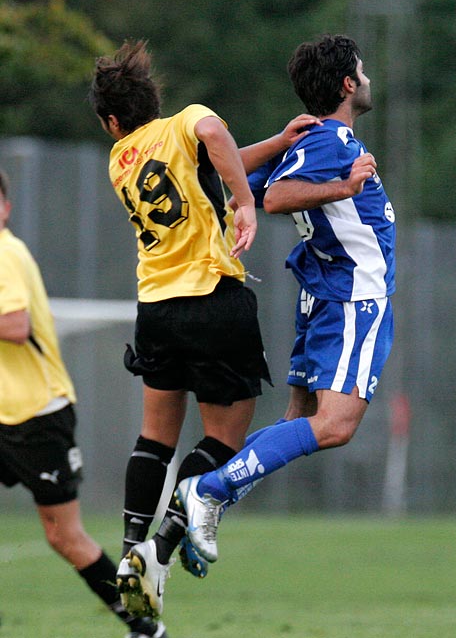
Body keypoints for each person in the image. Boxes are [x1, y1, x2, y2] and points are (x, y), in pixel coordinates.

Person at [88, 39, 320, 620]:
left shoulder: (119, 160)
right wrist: (245, 202)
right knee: (222, 440)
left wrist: (275, 144)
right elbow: (213, 140)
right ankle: (160, 552)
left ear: (114, 121)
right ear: (154, 101)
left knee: (155, 439)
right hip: (214, 299)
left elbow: (205, 160)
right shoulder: (187, 120)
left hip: (156, 310)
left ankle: (127, 552)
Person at [176, 34, 396, 565]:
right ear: (348, 84)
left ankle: (209, 499)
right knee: (336, 425)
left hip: (326, 294)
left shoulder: (309, 141)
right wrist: (342, 189)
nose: (367, 79)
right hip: (351, 298)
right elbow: (274, 198)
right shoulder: (331, 143)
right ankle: (207, 492)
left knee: (299, 416)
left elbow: (241, 192)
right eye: (361, 72)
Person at [0, 169, 166, 638]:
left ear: (7, 209)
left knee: (65, 537)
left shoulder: (5, 253)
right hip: (4, 413)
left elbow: (15, 326)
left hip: (37, 416)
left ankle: (145, 624)